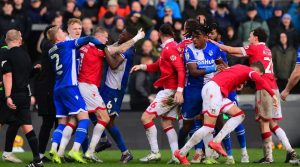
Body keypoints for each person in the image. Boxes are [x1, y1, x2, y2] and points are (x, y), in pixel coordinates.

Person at [209, 27, 298, 163]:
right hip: (273, 87)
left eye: (250, 36)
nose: (249, 39)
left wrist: (214, 43)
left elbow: (232, 50)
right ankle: (290, 150)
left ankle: (269, 157)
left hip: (263, 88)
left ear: (256, 38)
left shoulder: (254, 48)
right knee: (272, 122)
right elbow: (239, 54)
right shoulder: (266, 49)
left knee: (264, 123)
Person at [174, 62, 278, 165]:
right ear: (256, 71)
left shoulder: (237, 66)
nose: (254, 80)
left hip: (215, 91)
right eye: (258, 75)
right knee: (208, 127)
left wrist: (237, 84)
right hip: (215, 91)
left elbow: (227, 79)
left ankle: (216, 142)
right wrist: (273, 95)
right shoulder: (250, 71)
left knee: (239, 115)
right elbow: (260, 80)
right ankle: (182, 153)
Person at [46, 26, 106, 164]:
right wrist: (102, 46)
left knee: (62, 122)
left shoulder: (51, 51)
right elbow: (89, 38)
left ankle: (55, 150)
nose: (64, 33)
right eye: (62, 31)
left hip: (57, 89)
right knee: (84, 118)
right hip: (69, 86)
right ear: (57, 37)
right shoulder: (67, 44)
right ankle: (75, 150)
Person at [131, 23, 185, 164]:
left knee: (146, 118)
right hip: (173, 90)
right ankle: (176, 156)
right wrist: (142, 66)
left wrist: (179, 91)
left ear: (160, 34)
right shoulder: (172, 47)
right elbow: (157, 65)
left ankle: (155, 152)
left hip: (171, 92)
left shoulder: (169, 48)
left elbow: (180, 69)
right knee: (166, 122)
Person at [95, 27, 144, 163]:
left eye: (124, 33)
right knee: (97, 114)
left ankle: (123, 151)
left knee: (108, 121)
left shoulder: (127, 51)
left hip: (115, 89)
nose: (120, 34)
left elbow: (113, 65)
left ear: (130, 37)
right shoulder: (119, 45)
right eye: (121, 31)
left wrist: (104, 49)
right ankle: (107, 142)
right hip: (107, 87)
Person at [1, 29, 43, 167]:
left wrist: (7, 96)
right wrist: (35, 70)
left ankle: (8, 153)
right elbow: (26, 76)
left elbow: (8, 76)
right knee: (26, 127)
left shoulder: (6, 55)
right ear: (19, 40)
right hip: (25, 96)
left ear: (7, 41)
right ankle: (37, 160)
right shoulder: (25, 54)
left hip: (13, 96)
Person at [209, 24, 249, 164]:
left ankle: (244, 153)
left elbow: (225, 68)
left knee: (234, 119)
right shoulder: (207, 46)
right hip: (215, 90)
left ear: (219, 35)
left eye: (213, 33)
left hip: (227, 89)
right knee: (219, 123)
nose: (210, 36)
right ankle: (229, 156)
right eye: (208, 34)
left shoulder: (219, 46)